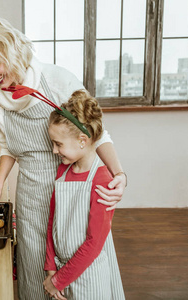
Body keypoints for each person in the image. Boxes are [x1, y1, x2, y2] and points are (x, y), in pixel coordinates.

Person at [0, 16, 127, 300]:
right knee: (36, 267)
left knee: (81, 264)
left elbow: (97, 133)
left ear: (11, 50)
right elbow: (7, 146)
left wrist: (119, 175)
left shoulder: (56, 79)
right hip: (32, 196)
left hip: (75, 191)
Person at [43, 89, 124, 300]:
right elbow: (52, 222)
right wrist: (51, 267)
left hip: (90, 279)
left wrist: (57, 281)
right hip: (61, 273)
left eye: (58, 144)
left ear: (82, 140)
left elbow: (94, 243)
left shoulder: (102, 180)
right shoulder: (63, 171)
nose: (54, 151)